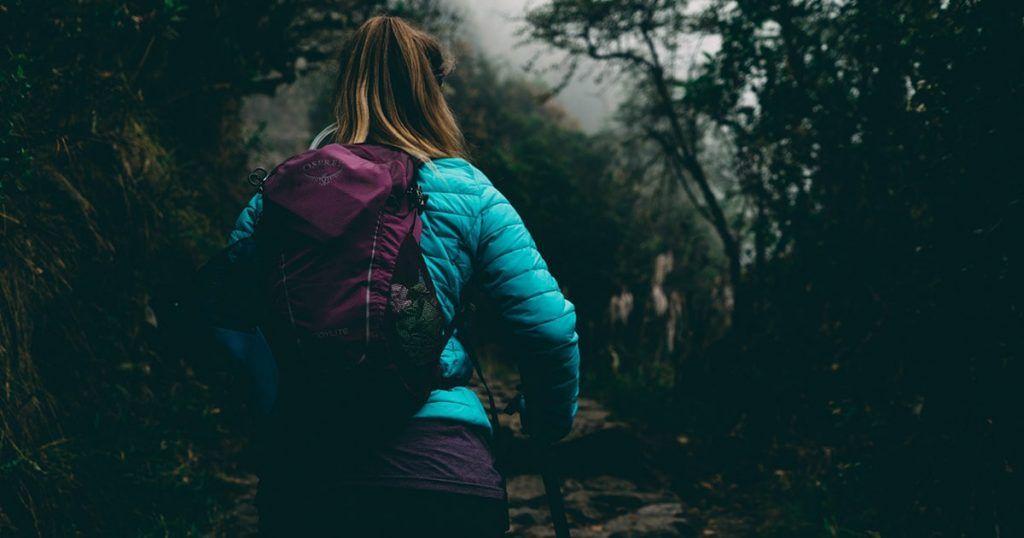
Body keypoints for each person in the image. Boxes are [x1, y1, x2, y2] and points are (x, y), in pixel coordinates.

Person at [226, 15, 580, 537]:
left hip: (309, 474)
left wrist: (273, 417)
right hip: (442, 477)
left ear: (347, 87)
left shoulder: (280, 196)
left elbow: (233, 328)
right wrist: (546, 423)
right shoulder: (470, 191)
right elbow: (549, 328)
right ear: (431, 91)